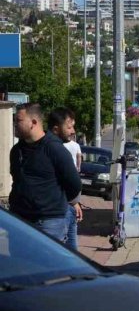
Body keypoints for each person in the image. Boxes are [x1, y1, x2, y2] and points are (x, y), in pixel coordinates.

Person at [9, 103, 82, 242]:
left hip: (48, 223)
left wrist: (53, 203)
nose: (15, 124)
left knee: (48, 263)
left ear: (33, 122)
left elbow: (74, 184)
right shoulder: (16, 151)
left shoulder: (54, 148)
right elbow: (16, 179)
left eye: (18, 120)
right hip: (19, 220)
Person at [48, 108, 84, 251]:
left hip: (68, 205)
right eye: (69, 127)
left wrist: (75, 202)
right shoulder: (52, 149)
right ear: (56, 129)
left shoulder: (66, 146)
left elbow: (67, 181)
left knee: (72, 253)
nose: (73, 131)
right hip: (56, 212)